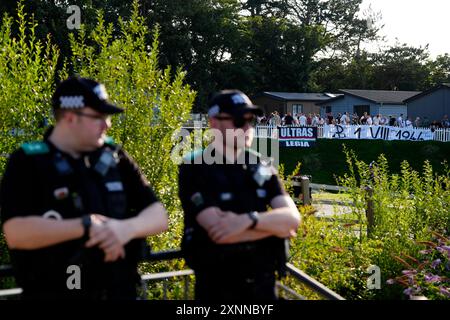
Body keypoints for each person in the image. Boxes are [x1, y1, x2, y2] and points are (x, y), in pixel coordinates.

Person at [0, 76, 168, 300]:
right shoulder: (28, 161)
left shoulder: (114, 156)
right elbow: (16, 233)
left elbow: (158, 215)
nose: (107, 124)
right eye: (98, 117)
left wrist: (123, 229)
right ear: (70, 117)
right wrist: (86, 226)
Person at [178, 90, 300, 301]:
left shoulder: (261, 165)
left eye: (250, 119)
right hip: (219, 290)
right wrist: (272, 229)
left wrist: (247, 220)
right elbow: (221, 232)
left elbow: (292, 219)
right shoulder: (195, 167)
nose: (247, 127)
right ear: (214, 123)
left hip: (263, 289)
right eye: (238, 120)